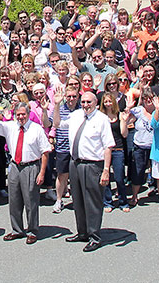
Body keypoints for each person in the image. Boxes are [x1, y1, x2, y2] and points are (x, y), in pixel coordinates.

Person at [0, 100, 50, 243]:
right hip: (15, 166)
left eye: (23, 114)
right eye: (18, 114)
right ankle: (17, 229)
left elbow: (45, 152)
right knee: (14, 199)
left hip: (31, 166)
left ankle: (32, 230)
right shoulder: (11, 126)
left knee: (30, 200)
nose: (21, 117)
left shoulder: (36, 129)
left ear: (28, 114)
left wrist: (41, 173)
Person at [65, 91, 114, 253]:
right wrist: (57, 105)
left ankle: (95, 236)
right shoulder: (76, 115)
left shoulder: (102, 119)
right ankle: (82, 232)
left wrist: (106, 170)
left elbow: (108, 146)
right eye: (83, 102)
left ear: (95, 102)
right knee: (77, 200)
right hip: (75, 163)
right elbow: (56, 124)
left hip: (93, 165)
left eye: (89, 102)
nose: (86, 105)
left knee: (92, 202)